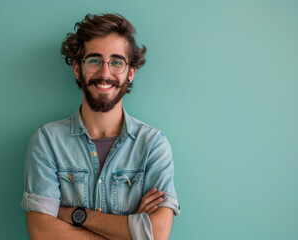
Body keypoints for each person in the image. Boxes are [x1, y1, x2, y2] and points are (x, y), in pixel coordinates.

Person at [21, 13, 180, 240]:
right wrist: (131, 230)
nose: (105, 74)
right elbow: (41, 233)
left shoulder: (153, 145)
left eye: (116, 62)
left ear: (131, 73)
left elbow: (158, 233)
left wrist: (79, 216)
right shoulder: (47, 141)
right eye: (94, 60)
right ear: (78, 69)